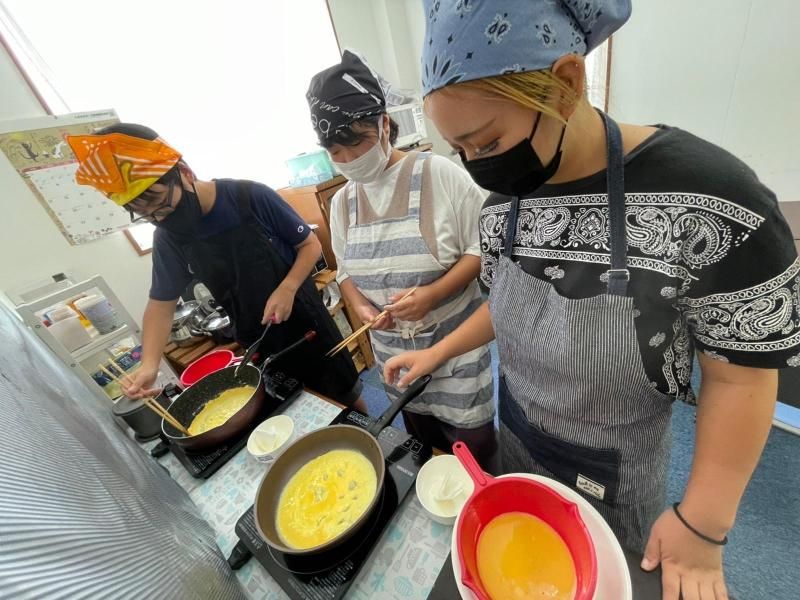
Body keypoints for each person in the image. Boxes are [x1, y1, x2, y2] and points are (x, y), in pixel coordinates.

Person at [385, 2, 800, 598]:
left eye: (487, 141)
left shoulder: (710, 199)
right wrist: (438, 351)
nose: (478, 167)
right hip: (519, 442)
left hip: (616, 475)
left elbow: (741, 376)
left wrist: (703, 524)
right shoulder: (503, 208)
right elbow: (509, 307)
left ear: (567, 82)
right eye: (460, 151)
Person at [66, 124, 362, 406]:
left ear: (184, 172)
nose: (159, 217)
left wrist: (287, 287)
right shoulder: (169, 236)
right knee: (293, 406)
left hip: (305, 323)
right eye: (145, 214)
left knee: (346, 395)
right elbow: (160, 305)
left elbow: (310, 245)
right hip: (256, 338)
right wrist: (149, 365)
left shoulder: (249, 197)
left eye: (159, 202)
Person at [306, 51, 496, 466]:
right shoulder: (341, 203)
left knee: (474, 455)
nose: (348, 159)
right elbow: (345, 271)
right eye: (335, 150)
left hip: (456, 352)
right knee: (421, 449)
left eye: (356, 142)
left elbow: (483, 249)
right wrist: (360, 306)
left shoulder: (438, 174)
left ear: (383, 123)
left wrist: (434, 294)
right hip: (394, 358)